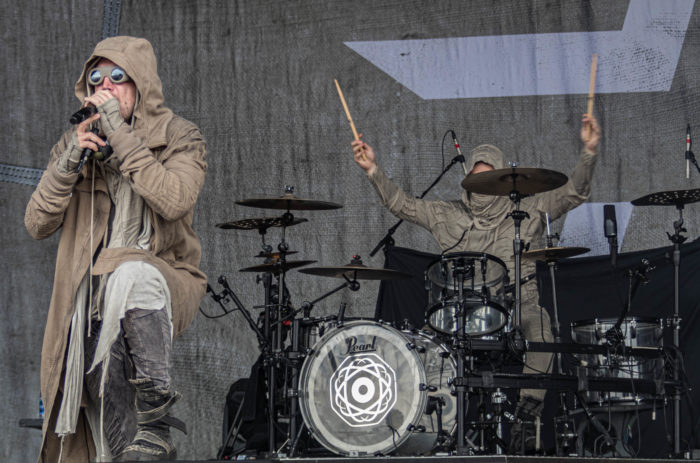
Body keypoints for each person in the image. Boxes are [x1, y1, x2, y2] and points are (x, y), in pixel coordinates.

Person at [352, 115, 601, 454]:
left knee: (541, 332)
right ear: (467, 178)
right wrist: (372, 170)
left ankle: (526, 417)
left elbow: (574, 192)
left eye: (491, 179)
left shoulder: (528, 209)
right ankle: (425, 429)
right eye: (477, 178)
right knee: (417, 348)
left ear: (503, 180)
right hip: (461, 307)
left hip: (518, 301)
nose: (483, 187)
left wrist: (589, 152)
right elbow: (402, 204)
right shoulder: (446, 213)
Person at [25, 36, 207, 462]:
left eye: (118, 77)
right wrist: (69, 161)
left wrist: (120, 135)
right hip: (89, 303)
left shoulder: (179, 136)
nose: (104, 86)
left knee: (131, 273)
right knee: (117, 446)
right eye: (96, 78)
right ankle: (143, 443)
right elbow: (36, 224)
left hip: (157, 286)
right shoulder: (75, 143)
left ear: (141, 83)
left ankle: (156, 424)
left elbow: (175, 200)